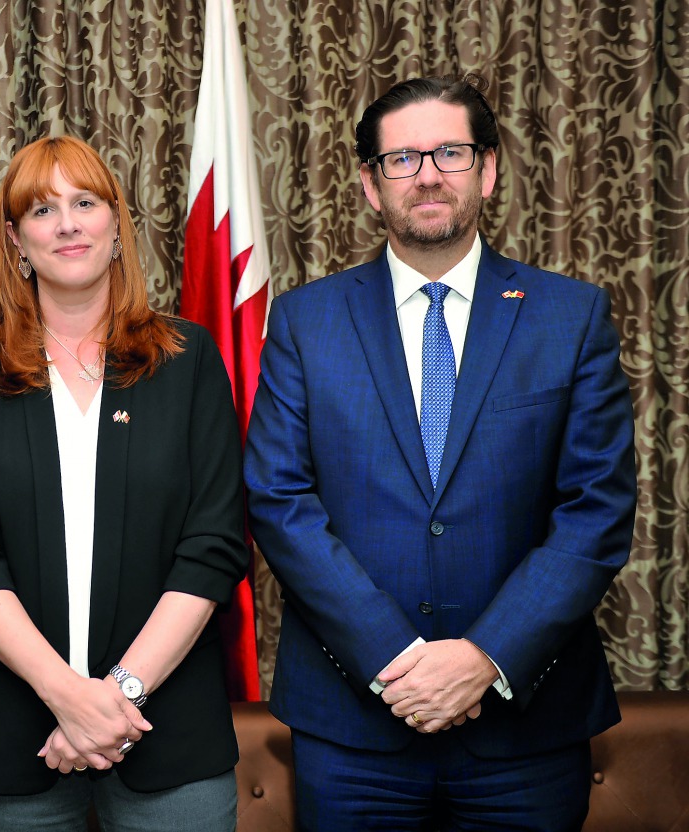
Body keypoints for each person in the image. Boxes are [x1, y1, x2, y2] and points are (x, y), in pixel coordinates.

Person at [245, 74, 637, 830]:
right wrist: (397, 660)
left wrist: (483, 658)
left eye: (450, 153)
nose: (427, 173)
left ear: (487, 171)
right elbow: (279, 502)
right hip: (353, 734)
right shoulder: (305, 321)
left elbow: (597, 510)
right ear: (369, 184)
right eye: (402, 158)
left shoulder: (571, 316)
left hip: (525, 731)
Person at [0, 135, 248, 831]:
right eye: (41, 210)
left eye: (84, 202)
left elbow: (213, 545)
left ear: (115, 226)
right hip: (10, 740)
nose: (67, 223)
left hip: (169, 736)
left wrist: (115, 699)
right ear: (15, 240)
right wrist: (65, 694)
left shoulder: (187, 361)